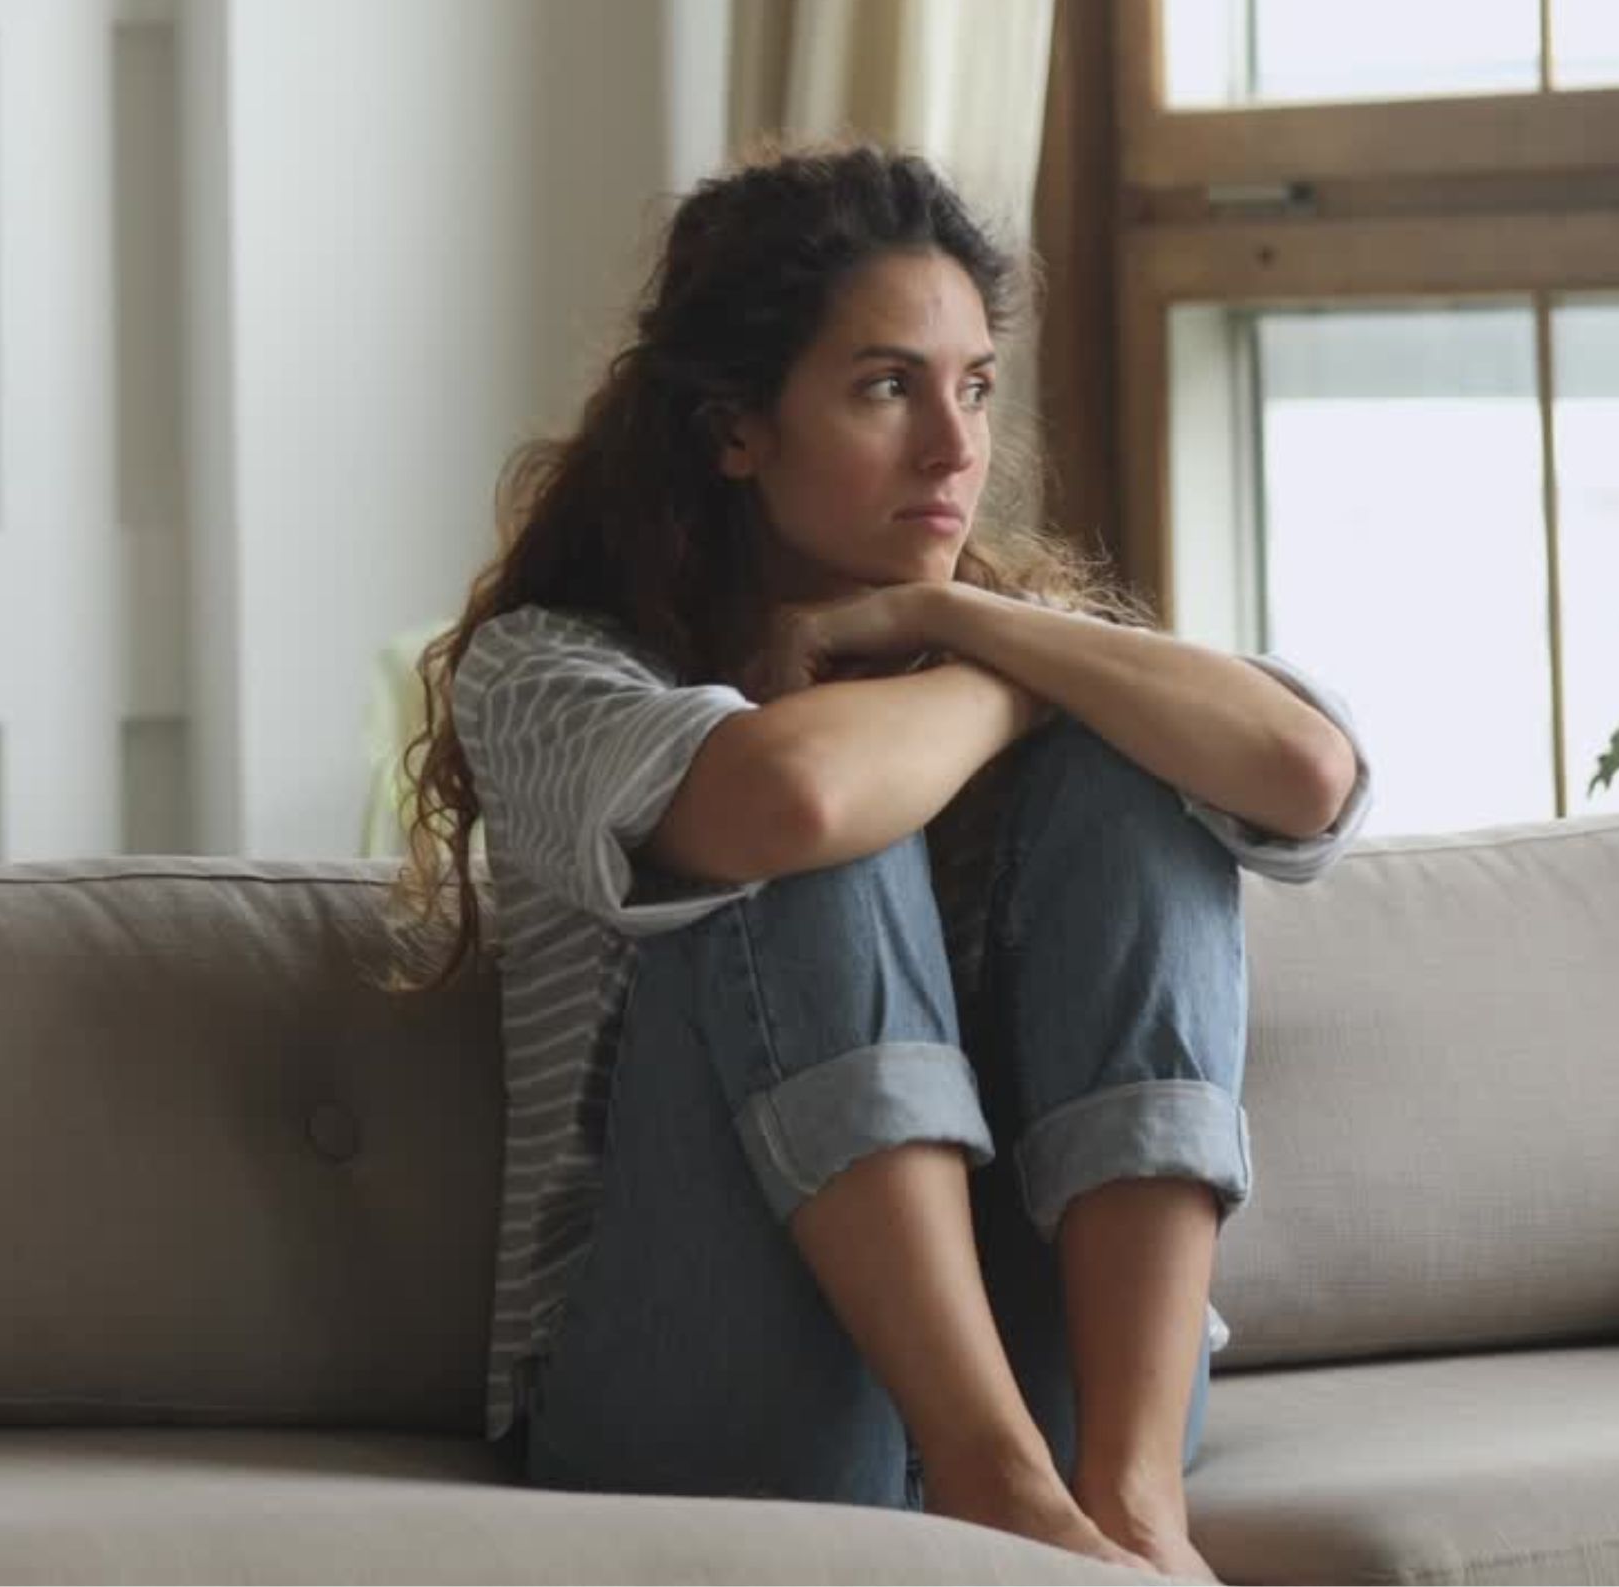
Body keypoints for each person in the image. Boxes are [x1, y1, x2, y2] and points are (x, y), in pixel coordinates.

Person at [385, 143, 1373, 1581]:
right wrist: (1026, 679)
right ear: (736, 427)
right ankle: (995, 1489)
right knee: (803, 807)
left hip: (1058, 1391)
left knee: (1134, 788)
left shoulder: (1006, 630)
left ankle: (1132, 1501)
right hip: (699, 1393)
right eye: (885, 387)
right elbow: (787, 799)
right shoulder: (551, 671)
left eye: (973, 385)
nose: (954, 447)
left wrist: (984, 632)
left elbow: (1302, 770)